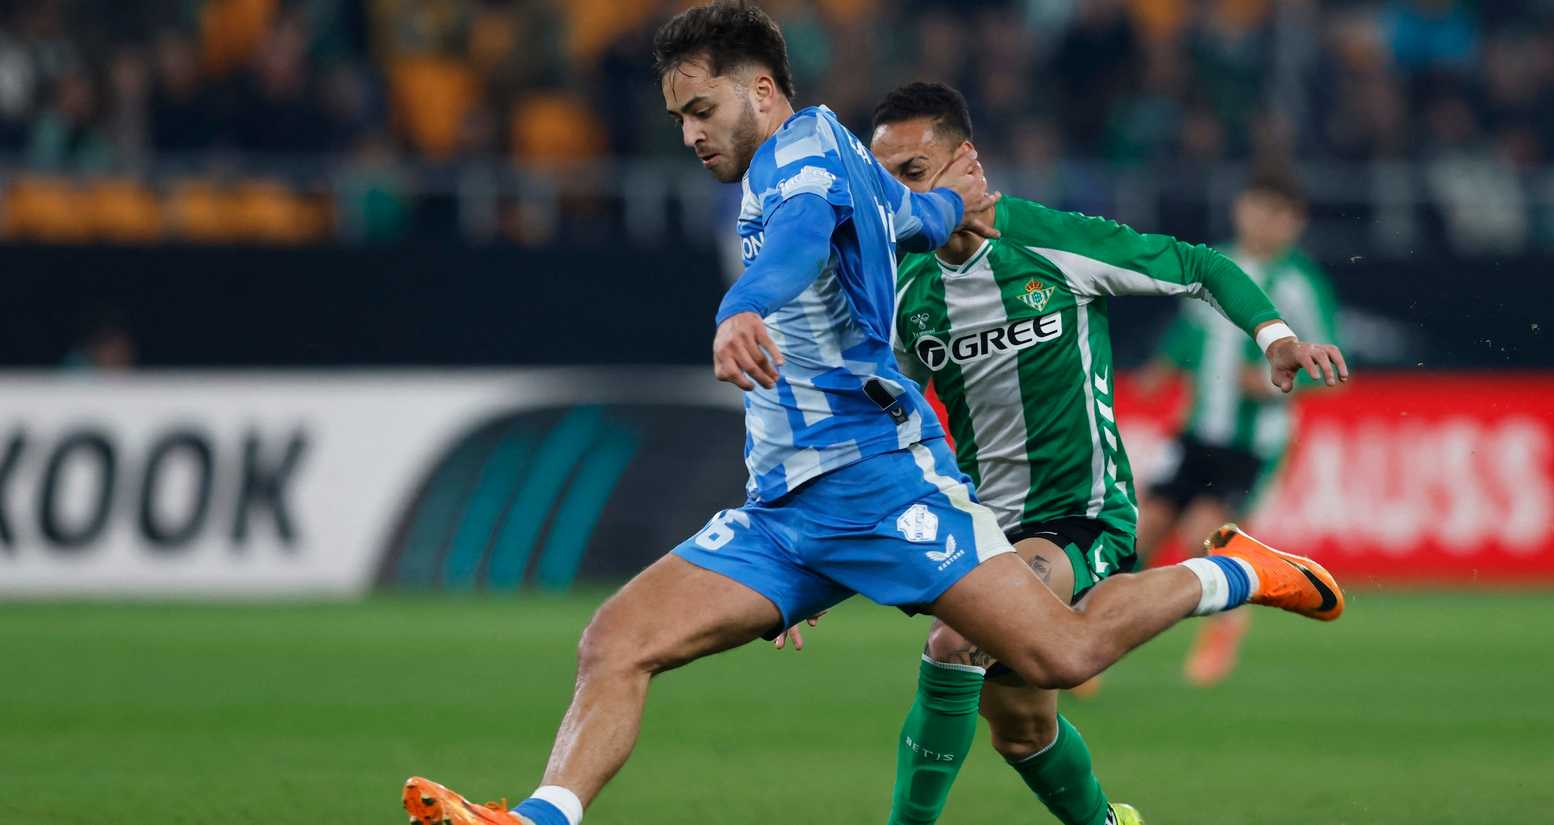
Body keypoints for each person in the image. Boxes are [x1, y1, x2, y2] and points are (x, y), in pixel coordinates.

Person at [400, 6, 1349, 825]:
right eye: (679, 116)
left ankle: (1232, 571)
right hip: (788, 513)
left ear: (763, 91)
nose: (689, 134)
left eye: (702, 108)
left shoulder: (803, 164)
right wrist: (939, 212)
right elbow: (905, 225)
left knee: (1058, 655)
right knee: (616, 639)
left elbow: (804, 240)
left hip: (892, 489)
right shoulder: (843, 181)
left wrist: (740, 306)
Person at [1136, 168, 1340, 687]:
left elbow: (1333, 368)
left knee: (1201, 533)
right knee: (1142, 529)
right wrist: (1164, 366)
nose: (1262, 221)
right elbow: (1189, 332)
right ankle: (1098, 633)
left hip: (1252, 443)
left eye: (1277, 213)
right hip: (1195, 431)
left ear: (1296, 223)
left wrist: (1272, 386)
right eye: (1255, 207)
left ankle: (1224, 629)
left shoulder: (1299, 283)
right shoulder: (1216, 265)